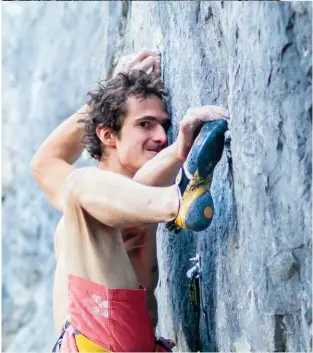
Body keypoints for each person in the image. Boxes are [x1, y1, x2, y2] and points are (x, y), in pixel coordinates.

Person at [31, 48, 229, 352]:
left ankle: (180, 199)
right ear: (108, 135)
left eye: (164, 125)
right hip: (98, 336)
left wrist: (181, 151)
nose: (161, 135)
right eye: (145, 124)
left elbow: (138, 188)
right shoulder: (86, 201)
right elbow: (44, 164)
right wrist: (102, 100)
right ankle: (180, 200)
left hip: (124, 340)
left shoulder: (138, 194)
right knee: (79, 186)